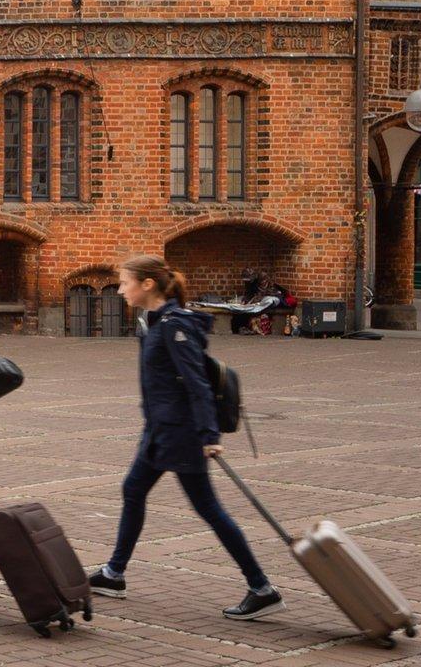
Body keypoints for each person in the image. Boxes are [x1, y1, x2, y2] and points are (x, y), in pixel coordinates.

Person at [88, 254, 282, 621]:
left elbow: (197, 383)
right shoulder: (154, 323)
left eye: (125, 282)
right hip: (160, 430)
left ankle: (261, 588)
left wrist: (209, 434)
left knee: (208, 507)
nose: (121, 289)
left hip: (181, 433)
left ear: (147, 284)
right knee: (133, 490)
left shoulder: (174, 327)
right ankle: (114, 573)